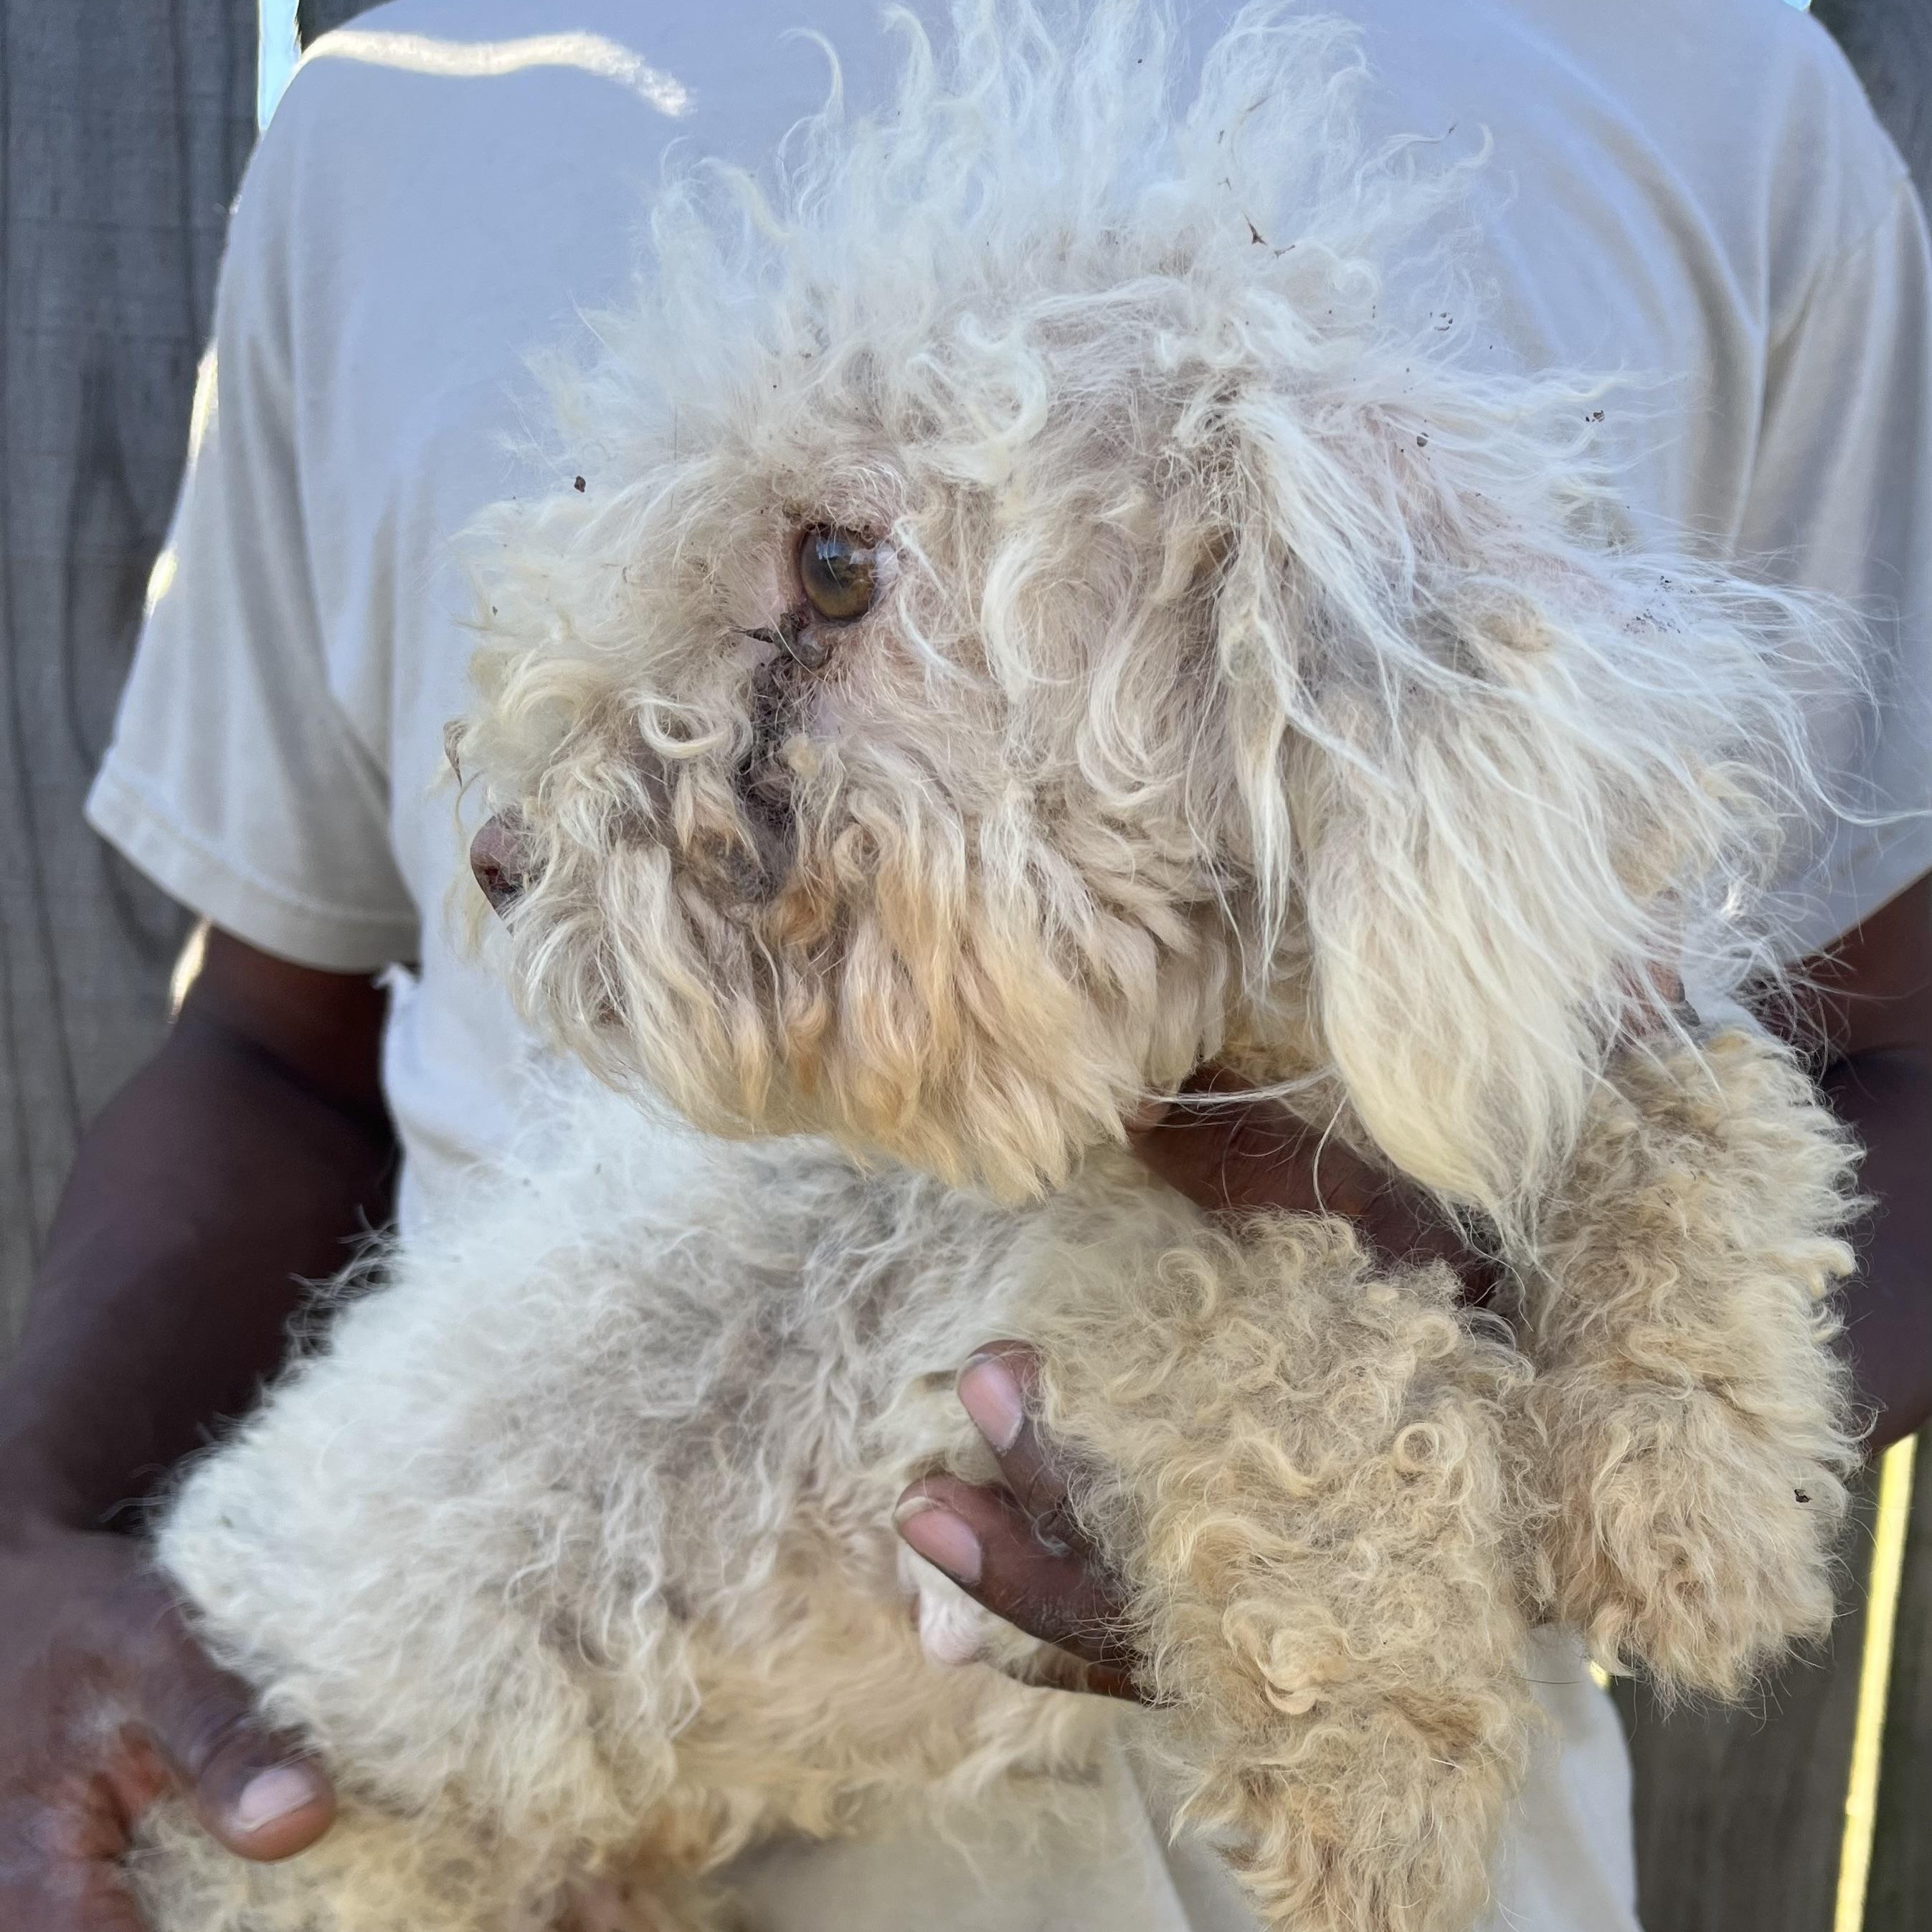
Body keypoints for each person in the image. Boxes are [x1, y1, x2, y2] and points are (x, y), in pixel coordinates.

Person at [1, 0, 1928, 1927]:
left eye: (835, 582)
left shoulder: (1701, 80)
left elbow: (1867, 1054)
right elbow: (272, 1048)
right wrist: (18, 1530)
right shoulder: (397, 119)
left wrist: (1551, 1451)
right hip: (415, 1791)